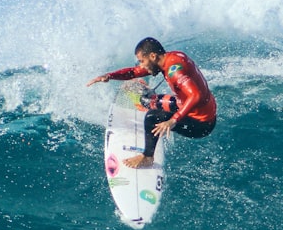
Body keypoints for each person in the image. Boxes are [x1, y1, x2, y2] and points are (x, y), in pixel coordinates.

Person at [87, 37, 217, 168]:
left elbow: (195, 95)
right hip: (191, 106)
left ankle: (147, 157)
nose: (141, 65)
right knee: (147, 100)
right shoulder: (170, 58)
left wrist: (173, 120)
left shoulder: (174, 71)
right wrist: (109, 76)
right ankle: (147, 102)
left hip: (201, 124)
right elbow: (134, 72)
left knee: (152, 117)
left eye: (142, 61)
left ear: (153, 56)